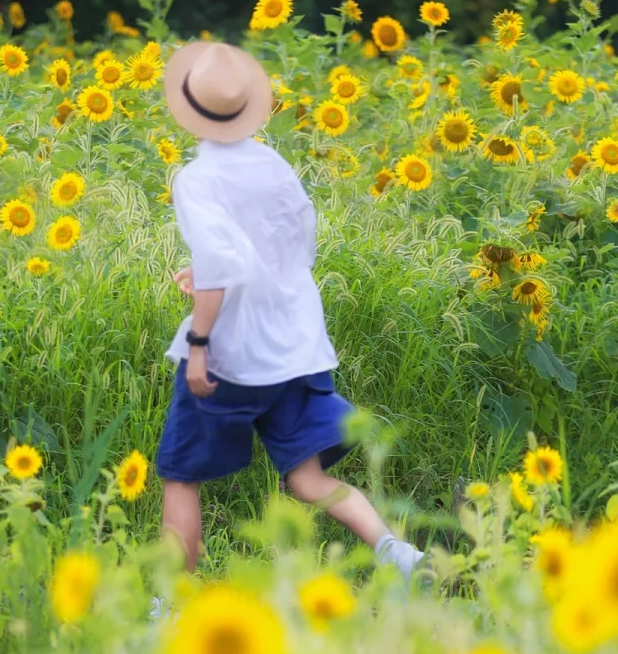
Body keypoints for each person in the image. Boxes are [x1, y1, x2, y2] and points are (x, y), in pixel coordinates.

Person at [155, 39, 424, 578]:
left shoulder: (196, 178)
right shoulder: (273, 164)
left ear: (188, 110)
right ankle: (399, 555)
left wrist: (201, 344)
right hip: (297, 347)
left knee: (180, 475)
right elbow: (292, 248)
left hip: (235, 351)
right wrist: (212, 274)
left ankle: (169, 606)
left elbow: (222, 264)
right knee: (307, 480)